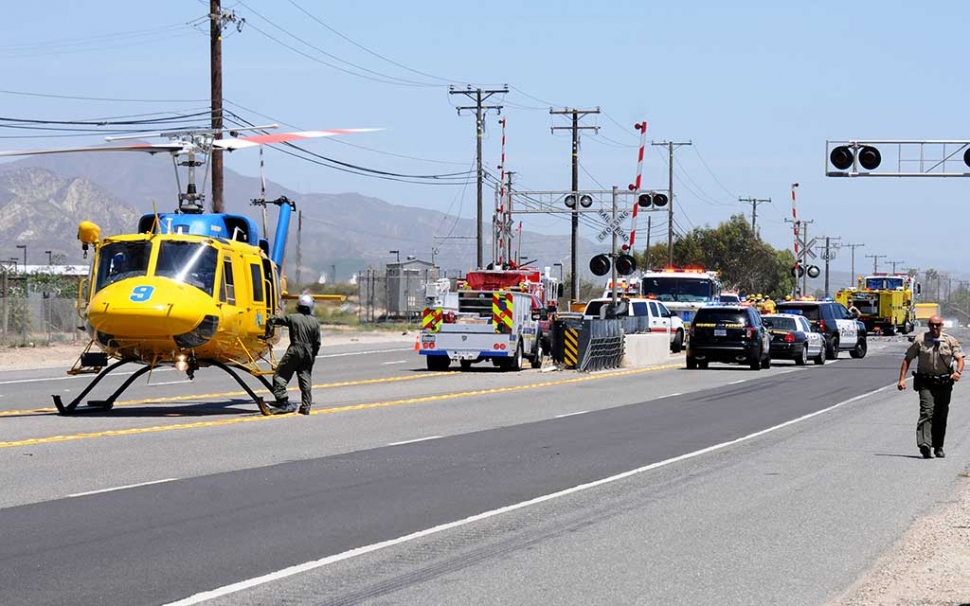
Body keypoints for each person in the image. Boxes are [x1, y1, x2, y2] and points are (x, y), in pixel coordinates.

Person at [897, 315, 964, 458]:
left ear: (942, 325)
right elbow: (907, 359)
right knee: (927, 412)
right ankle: (924, 445)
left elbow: (960, 359)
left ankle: (938, 446)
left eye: (938, 325)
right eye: (932, 325)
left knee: (941, 415)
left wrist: (958, 372)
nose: (935, 327)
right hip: (926, 382)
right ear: (928, 325)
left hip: (944, 384)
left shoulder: (949, 341)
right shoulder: (920, 340)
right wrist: (902, 379)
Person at [267, 293, 321, 415]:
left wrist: (268, 318)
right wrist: (312, 355)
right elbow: (317, 343)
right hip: (309, 352)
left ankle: (282, 402)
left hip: (295, 350)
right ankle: (306, 406)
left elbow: (276, 320)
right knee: (305, 378)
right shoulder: (315, 322)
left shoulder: (293, 318)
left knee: (279, 376)